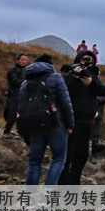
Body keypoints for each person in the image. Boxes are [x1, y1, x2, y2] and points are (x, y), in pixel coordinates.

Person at [19, 54, 75, 186]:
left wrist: (25, 132)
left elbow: (21, 107)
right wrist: (70, 124)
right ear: (50, 64)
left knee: (34, 163)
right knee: (59, 159)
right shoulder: (56, 77)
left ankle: (30, 199)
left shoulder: (25, 83)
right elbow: (65, 103)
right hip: (55, 124)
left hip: (34, 125)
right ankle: (49, 194)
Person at [61, 50, 105, 185]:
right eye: (84, 59)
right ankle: (63, 183)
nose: (87, 62)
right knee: (68, 154)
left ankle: (74, 182)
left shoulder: (92, 75)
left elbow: (103, 91)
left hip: (88, 121)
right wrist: (75, 77)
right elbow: (64, 92)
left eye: (90, 59)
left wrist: (91, 82)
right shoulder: (70, 75)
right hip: (71, 120)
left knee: (82, 155)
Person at [3, 53, 29, 138]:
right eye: (22, 60)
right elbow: (15, 81)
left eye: (25, 60)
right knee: (12, 113)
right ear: (17, 60)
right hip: (14, 94)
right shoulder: (12, 70)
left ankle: (22, 132)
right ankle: (6, 131)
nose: (24, 61)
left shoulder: (27, 70)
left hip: (24, 94)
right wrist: (26, 81)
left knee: (24, 114)